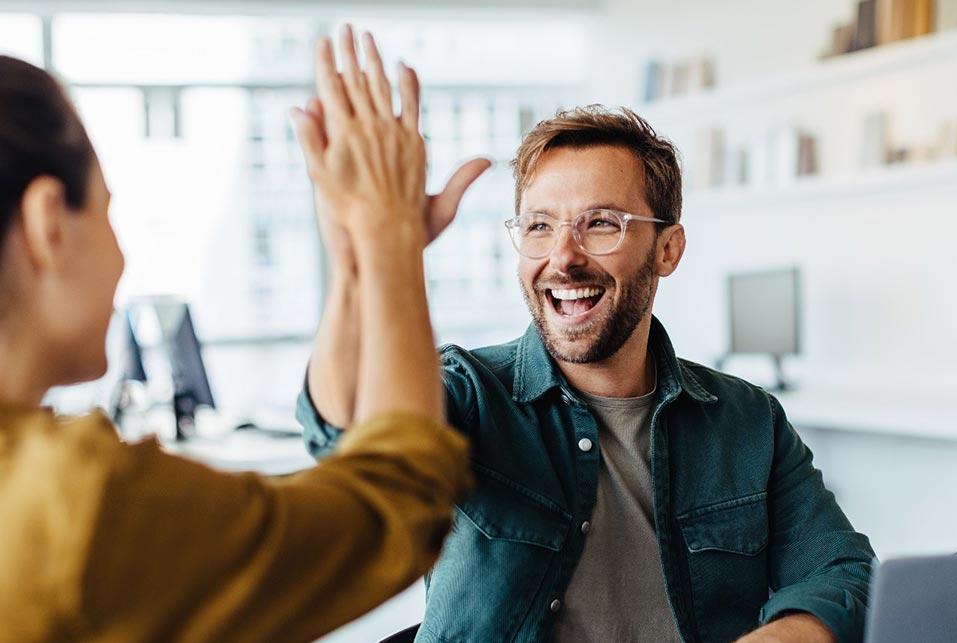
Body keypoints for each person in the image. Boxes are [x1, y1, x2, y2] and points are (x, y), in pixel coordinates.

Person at [298, 100, 876, 640]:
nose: (564, 256)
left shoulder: (749, 421)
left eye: (601, 223)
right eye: (539, 226)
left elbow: (844, 572)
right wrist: (361, 263)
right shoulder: (471, 394)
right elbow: (346, 427)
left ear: (667, 249)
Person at [0, 26, 476, 642]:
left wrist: (363, 261)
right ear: (48, 226)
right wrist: (389, 231)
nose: (121, 256)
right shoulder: (69, 504)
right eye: (107, 211)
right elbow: (393, 501)